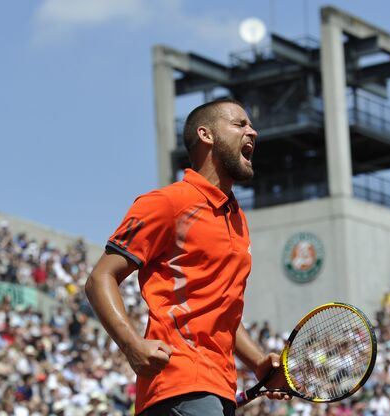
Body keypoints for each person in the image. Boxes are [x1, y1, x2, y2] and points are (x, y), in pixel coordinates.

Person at [85, 98, 289, 415]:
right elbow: (100, 278)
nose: (254, 132)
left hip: (218, 387)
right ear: (206, 135)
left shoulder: (237, 218)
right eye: (240, 124)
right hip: (180, 383)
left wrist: (258, 362)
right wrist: (132, 345)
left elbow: (220, 306)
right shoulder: (168, 202)